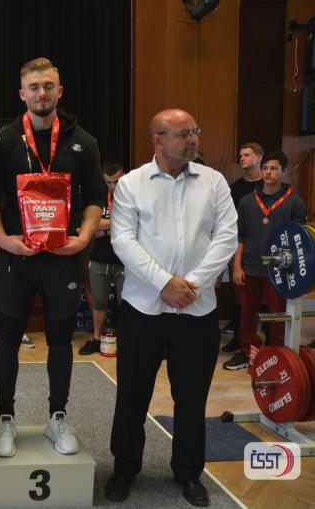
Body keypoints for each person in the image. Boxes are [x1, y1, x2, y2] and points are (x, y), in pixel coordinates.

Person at [107, 109, 237, 506]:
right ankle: (124, 469)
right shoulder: (132, 184)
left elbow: (226, 237)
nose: (193, 139)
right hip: (142, 308)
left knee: (192, 398)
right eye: (183, 134)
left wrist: (190, 285)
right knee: (132, 396)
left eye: (195, 131)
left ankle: (188, 473)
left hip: (197, 310)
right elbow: (123, 240)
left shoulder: (214, 182)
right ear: (158, 139)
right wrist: (164, 283)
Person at [0, 58, 105, 458]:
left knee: (60, 341)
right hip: (16, 258)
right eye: (34, 87)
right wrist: (3, 239)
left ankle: (57, 416)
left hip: (61, 258)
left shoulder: (83, 141)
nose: (41, 93)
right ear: (22, 93)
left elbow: (96, 198)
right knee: (7, 341)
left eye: (48, 86)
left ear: (59, 90)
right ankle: (5, 417)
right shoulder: (3, 140)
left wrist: (83, 237)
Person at [224, 150, 306, 370]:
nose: (269, 172)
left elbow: (297, 240)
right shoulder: (247, 201)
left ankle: (277, 355)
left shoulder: (295, 202)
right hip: (250, 266)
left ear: (283, 171)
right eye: (266, 168)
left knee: (277, 316)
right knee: (247, 315)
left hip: (279, 269)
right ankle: (246, 352)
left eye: (274, 168)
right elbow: (240, 236)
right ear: (261, 170)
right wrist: (237, 266)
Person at [221, 142, 265, 352]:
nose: (242, 158)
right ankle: (239, 339)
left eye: (247, 154)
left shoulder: (269, 184)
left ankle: (267, 342)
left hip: (265, 247)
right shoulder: (235, 188)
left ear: (259, 157)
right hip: (239, 245)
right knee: (240, 295)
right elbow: (228, 217)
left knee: (266, 297)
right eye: (240, 155)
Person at [79, 161, 125, 355]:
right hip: (99, 258)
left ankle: (126, 340)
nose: (112, 186)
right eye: (108, 182)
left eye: (116, 181)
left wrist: (101, 229)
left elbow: (135, 224)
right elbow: (85, 225)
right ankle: (97, 339)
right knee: (98, 302)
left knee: (126, 303)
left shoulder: (131, 195)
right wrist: (115, 226)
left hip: (125, 260)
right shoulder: (97, 197)